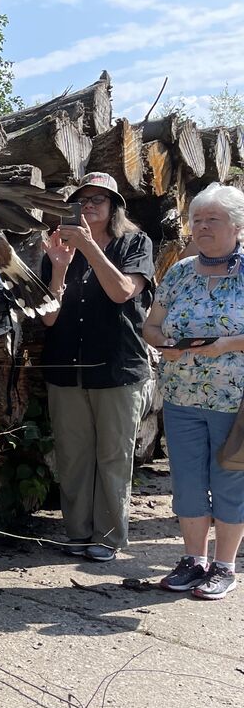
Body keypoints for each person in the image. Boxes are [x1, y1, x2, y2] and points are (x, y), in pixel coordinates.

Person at [39, 171, 155, 564]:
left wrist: (89, 248)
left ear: (114, 207)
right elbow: (48, 318)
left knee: (113, 456)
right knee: (73, 455)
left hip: (118, 368)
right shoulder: (59, 246)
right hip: (66, 368)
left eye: (98, 200)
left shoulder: (135, 242)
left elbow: (122, 291)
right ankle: (76, 532)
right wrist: (57, 267)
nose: (88, 207)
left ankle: (107, 536)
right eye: (82, 200)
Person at [141, 182, 244, 599]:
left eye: (212, 220)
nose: (201, 227)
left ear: (237, 226)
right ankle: (193, 560)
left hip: (234, 400)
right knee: (185, 482)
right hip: (181, 398)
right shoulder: (181, 272)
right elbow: (151, 324)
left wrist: (227, 344)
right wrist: (162, 347)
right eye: (196, 219)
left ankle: (224, 566)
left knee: (229, 483)